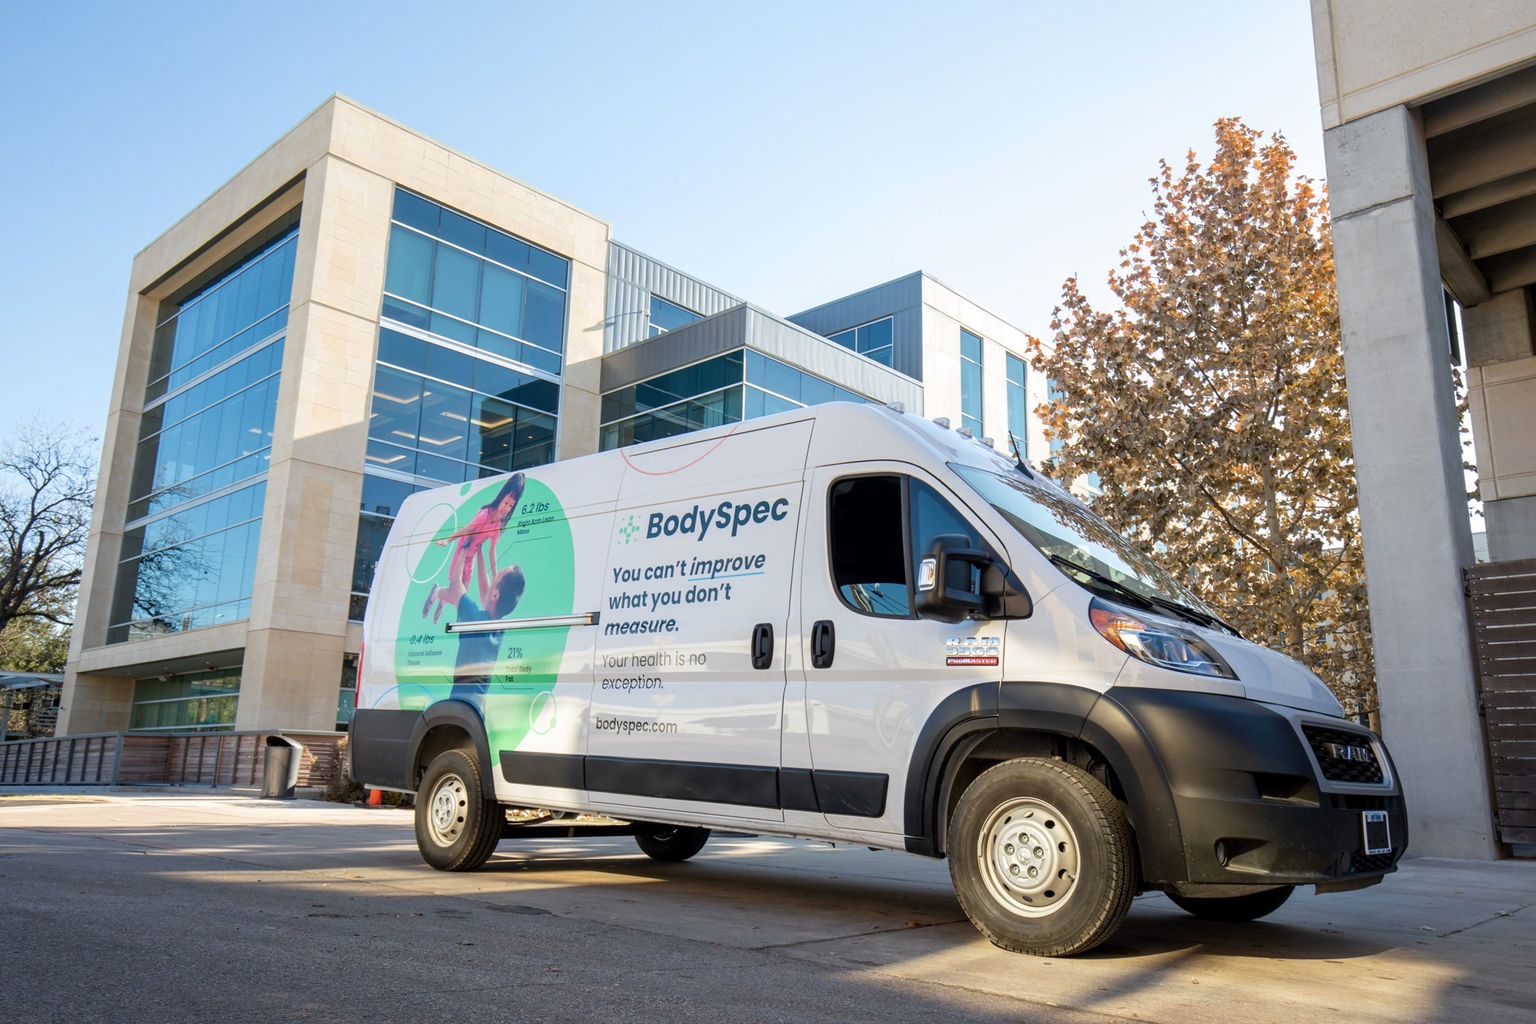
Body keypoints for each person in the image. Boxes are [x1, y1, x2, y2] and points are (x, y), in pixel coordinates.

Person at [422, 473, 525, 623]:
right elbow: (468, 529)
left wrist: (498, 580)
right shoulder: (485, 515)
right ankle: (437, 593)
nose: (507, 508)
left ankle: (443, 597)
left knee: (463, 594)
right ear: (501, 497)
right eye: (506, 502)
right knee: (458, 594)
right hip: (464, 550)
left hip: (472, 555)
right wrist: (448, 540)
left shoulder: (497, 525)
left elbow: (491, 552)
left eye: (511, 506)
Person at [448, 562, 526, 705]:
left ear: (496, 595)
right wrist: (480, 551)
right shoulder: (499, 631)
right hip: (476, 708)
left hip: (460, 705)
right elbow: (488, 595)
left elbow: (455, 585)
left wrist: (466, 546)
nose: (494, 576)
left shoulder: (475, 618)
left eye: (498, 574)